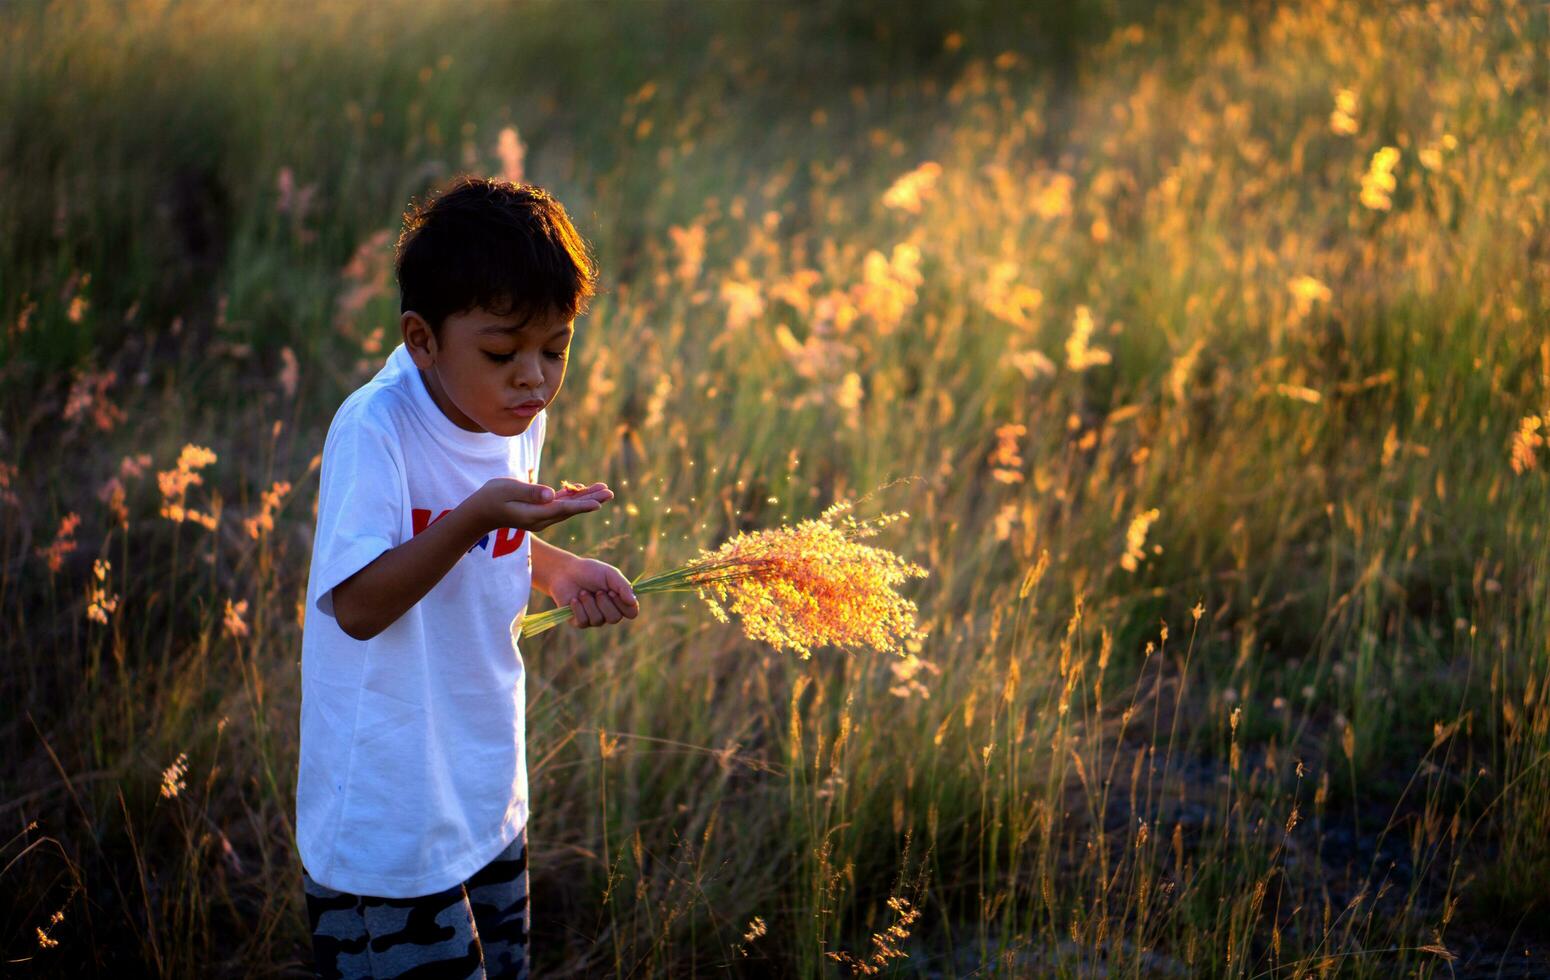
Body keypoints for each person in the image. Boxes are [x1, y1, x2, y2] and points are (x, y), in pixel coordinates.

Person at [296, 175, 640, 979]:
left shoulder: (512, 415)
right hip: (389, 822)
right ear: (422, 340)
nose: (534, 379)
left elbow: (486, 547)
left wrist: (557, 571)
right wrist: (480, 516)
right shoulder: (376, 429)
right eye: (502, 352)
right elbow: (356, 605)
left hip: (482, 790)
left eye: (556, 349)